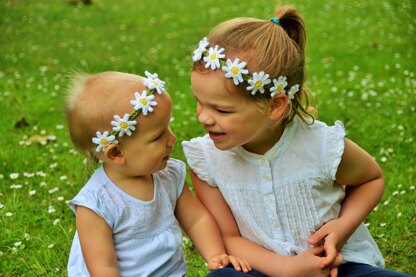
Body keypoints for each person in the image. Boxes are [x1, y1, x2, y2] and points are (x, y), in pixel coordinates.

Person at [182, 4, 413, 277]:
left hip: (335, 266)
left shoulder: (321, 145)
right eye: (199, 102)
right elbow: (229, 238)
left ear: (275, 105)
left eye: (221, 110)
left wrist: (342, 227)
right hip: (259, 269)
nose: (204, 118)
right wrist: (288, 268)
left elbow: (370, 179)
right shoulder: (207, 160)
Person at [64, 71, 251, 276]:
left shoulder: (168, 175)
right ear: (116, 153)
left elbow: (197, 219)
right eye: (158, 136)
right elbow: (103, 267)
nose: (172, 138)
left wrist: (215, 255)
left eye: (167, 127)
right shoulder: (97, 204)